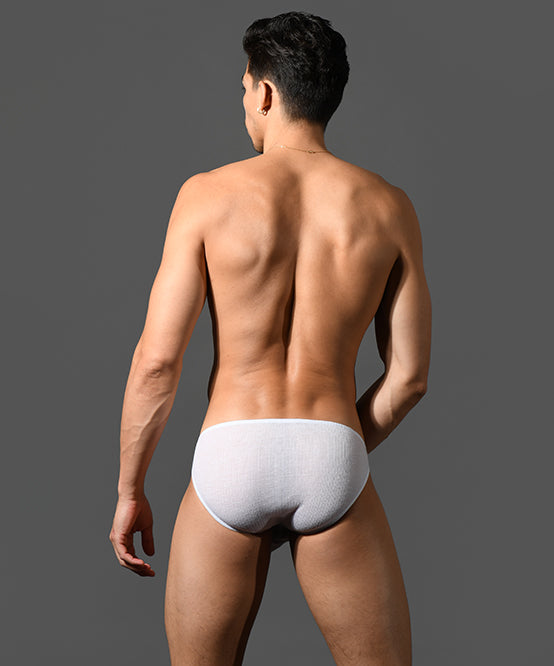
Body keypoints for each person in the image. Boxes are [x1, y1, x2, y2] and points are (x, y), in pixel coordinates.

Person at [109, 10, 431, 666]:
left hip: (231, 451)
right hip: (332, 447)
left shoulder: (206, 196)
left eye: (243, 89)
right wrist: (332, 447)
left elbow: (157, 362)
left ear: (265, 92)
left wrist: (129, 491)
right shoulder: (388, 206)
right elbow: (409, 379)